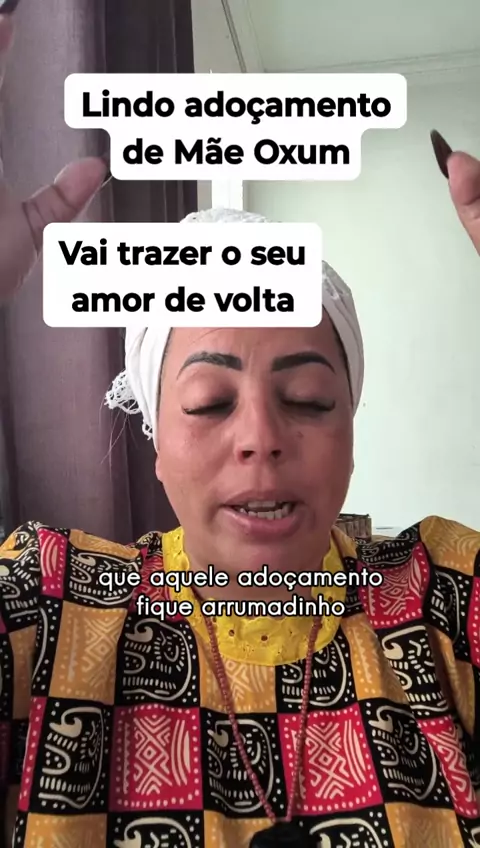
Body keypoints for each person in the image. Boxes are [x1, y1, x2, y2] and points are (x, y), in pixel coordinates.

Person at [0, 15, 480, 848]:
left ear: (351, 424)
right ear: (156, 438)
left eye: (308, 398)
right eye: (210, 403)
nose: (260, 437)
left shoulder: (442, 600)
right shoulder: (50, 605)